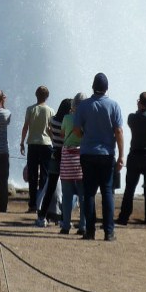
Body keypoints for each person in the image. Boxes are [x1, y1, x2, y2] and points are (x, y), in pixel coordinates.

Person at [73, 73, 124, 242]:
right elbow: (118, 131)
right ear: (107, 88)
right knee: (107, 192)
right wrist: (121, 155)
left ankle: (90, 231)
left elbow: (76, 130)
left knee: (89, 193)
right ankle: (109, 232)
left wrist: (86, 136)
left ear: (92, 86)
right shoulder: (114, 105)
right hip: (106, 154)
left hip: (88, 153)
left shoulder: (84, 106)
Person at [116, 91, 146, 227]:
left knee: (130, 188)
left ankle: (124, 217)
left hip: (135, 155)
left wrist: (139, 108)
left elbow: (137, 117)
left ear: (139, 102)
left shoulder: (132, 118)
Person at [35, 97, 72, 227]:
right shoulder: (68, 123)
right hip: (66, 156)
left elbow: (50, 133)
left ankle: (41, 217)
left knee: (50, 188)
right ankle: (64, 219)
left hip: (55, 155)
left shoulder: (53, 120)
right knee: (66, 189)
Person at [20, 86, 53, 214]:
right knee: (44, 174)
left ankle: (32, 204)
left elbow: (25, 127)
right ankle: (41, 203)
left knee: (32, 174)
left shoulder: (30, 109)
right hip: (46, 144)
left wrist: (22, 142)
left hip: (33, 144)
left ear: (36, 95)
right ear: (47, 96)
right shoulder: (50, 110)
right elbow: (51, 129)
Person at [59, 93, 86, 235]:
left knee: (67, 194)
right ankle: (83, 226)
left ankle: (65, 226)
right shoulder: (86, 119)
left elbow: (62, 135)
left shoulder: (67, 118)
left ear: (73, 105)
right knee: (83, 195)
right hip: (81, 158)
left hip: (67, 158)